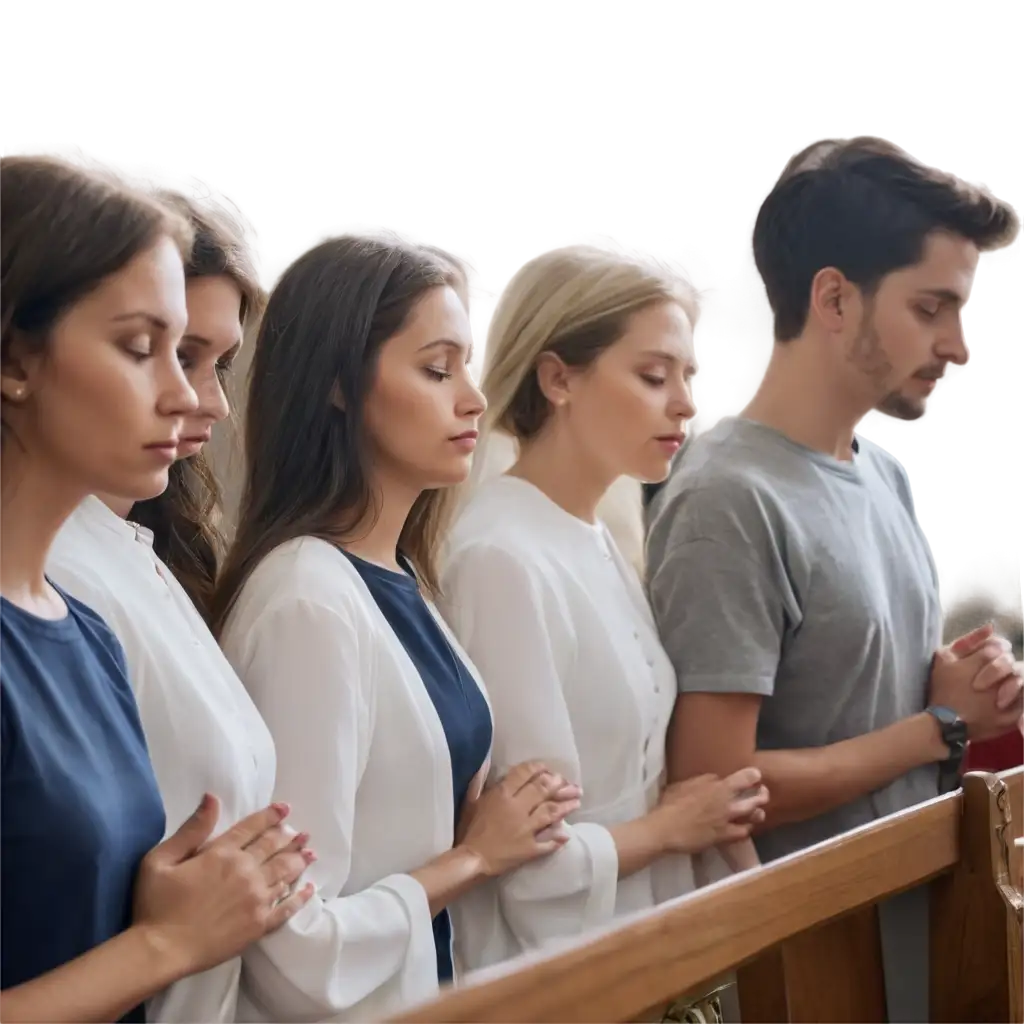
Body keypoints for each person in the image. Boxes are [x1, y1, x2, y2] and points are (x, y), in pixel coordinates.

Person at [208, 231, 582, 1021]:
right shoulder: (306, 602)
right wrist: (475, 857)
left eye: (468, 367)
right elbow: (291, 947)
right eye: (437, 368)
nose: (474, 397)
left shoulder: (403, 574)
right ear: (340, 385)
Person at [646, 136, 1024, 868]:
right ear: (834, 299)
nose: (959, 346)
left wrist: (973, 679)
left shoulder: (884, 471)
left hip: (927, 927)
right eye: (930, 309)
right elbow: (716, 786)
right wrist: (943, 723)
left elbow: (870, 694)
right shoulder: (728, 501)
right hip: (823, 963)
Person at [0, 152, 312, 1024]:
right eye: (144, 349)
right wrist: (168, 944)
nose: (187, 397)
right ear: (16, 355)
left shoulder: (83, 629)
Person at [438, 242, 768, 972]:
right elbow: (529, 854)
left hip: (648, 952)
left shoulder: (597, 537)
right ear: (558, 377)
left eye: (688, 376)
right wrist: (673, 826)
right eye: (654, 376)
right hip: (558, 976)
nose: (686, 403)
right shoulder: (498, 556)